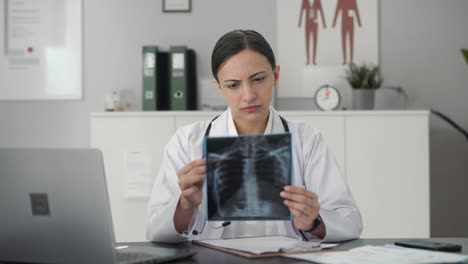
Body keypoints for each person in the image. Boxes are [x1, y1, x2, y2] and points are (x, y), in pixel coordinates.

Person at [146, 29, 362, 243]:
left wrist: (314, 221)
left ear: (275, 75)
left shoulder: (307, 140)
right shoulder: (187, 142)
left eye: (258, 79)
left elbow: (350, 222)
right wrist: (185, 205)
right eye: (233, 85)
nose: (248, 95)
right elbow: (155, 231)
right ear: (219, 87)